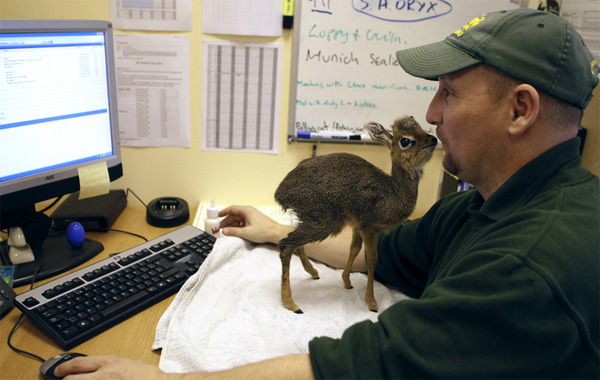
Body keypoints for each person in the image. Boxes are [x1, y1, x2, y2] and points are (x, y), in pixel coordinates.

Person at [56, 8, 599, 379]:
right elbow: (387, 252)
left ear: (520, 110)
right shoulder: (483, 206)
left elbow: (361, 366)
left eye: (450, 93)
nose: (433, 114)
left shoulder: (529, 269)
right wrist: (276, 233)